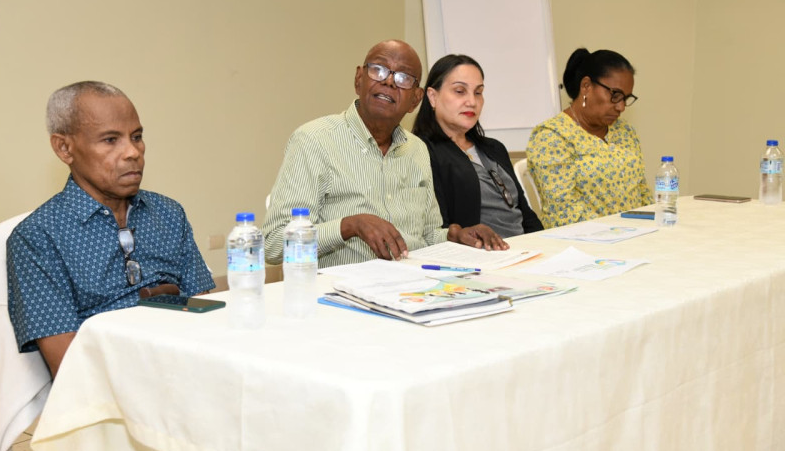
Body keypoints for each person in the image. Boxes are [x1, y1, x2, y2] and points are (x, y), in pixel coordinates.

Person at [7, 81, 215, 378]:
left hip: (191, 366)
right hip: (111, 389)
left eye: (137, 136)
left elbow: (205, 309)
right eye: (110, 140)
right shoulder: (38, 237)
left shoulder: (169, 214)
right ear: (64, 148)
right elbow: (70, 366)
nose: (133, 152)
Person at [263, 40, 507, 268]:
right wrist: (349, 225)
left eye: (403, 78)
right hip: (345, 292)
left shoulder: (417, 149)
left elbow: (427, 234)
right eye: (378, 70)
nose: (389, 82)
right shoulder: (313, 140)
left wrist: (455, 235)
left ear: (415, 100)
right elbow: (273, 243)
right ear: (359, 79)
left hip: (415, 284)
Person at [412, 54, 543, 239]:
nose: (472, 101)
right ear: (433, 97)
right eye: (460, 91)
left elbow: (525, 214)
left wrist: (545, 246)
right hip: (479, 257)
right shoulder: (423, 152)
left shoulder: (494, 148)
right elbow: (438, 228)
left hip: (525, 252)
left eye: (478, 92)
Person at [526, 48, 653, 228]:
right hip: (584, 242)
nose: (621, 107)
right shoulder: (552, 136)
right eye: (615, 95)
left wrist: (655, 225)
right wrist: (619, 233)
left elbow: (642, 192)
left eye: (626, 98)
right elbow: (564, 211)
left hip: (635, 236)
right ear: (586, 86)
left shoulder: (624, 131)